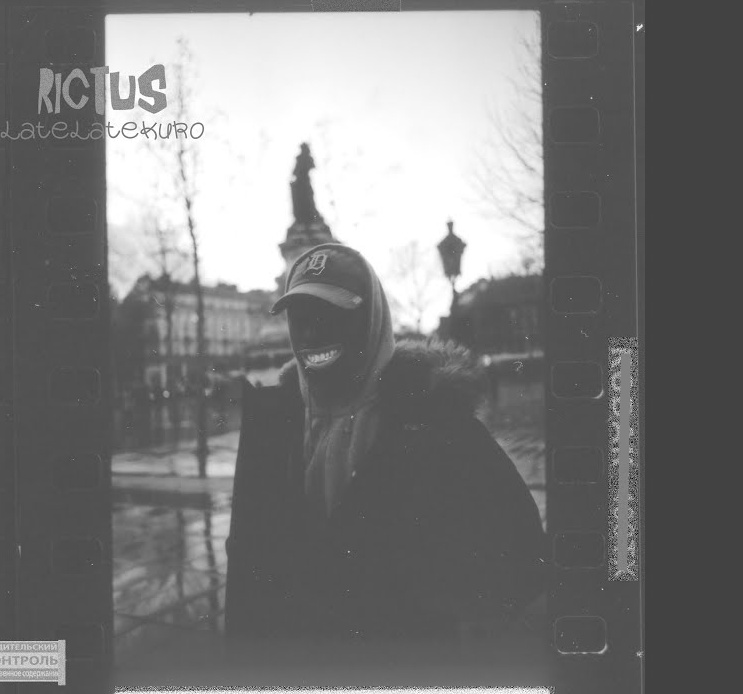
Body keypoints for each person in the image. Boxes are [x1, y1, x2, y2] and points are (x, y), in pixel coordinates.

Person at [224, 243, 549, 673]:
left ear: (372, 322)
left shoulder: (437, 420)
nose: (310, 332)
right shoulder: (270, 424)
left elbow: (522, 556)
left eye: (330, 314)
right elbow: (245, 571)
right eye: (299, 316)